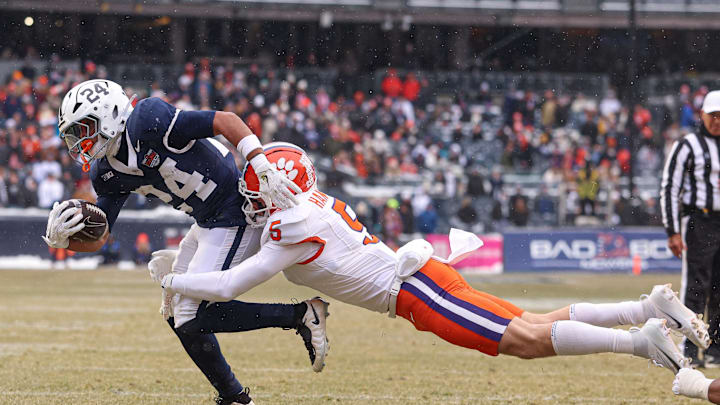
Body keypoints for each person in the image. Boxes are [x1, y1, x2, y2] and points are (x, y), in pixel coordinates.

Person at [154, 142, 710, 388]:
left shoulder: (289, 229)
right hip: (421, 278)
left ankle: (641, 343)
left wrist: (172, 279)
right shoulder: (304, 208)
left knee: (521, 339)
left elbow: (229, 284)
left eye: (259, 193)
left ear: (280, 194)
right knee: (532, 324)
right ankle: (644, 308)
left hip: (415, 292)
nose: (253, 201)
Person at [41, 80, 328, 405]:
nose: (80, 142)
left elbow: (226, 120)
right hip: (208, 221)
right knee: (176, 313)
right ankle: (232, 394)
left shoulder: (147, 120)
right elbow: (101, 237)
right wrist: (65, 240)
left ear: (110, 114)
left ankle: (300, 315)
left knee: (189, 314)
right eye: (74, 134)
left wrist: (260, 163)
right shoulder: (106, 171)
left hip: (236, 209)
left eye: (85, 129)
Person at [661, 90, 720, 367]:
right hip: (700, 221)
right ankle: (689, 347)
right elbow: (670, 187)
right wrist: (672, 230)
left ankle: (715, 348)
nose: (718, 121)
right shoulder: (688, 145)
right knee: (696, 285)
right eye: (713, 116)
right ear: (702, 115)